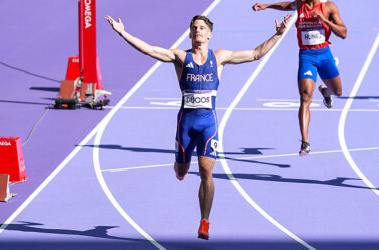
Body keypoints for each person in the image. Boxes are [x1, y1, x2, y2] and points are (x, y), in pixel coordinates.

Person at [105, 13, 291, 240]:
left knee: (206, 171)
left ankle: (204, 221)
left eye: (201, 27)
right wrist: (123, 32)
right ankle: (180, 170)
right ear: (190, 33)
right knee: (181, 170)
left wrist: (278, 34)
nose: (197, 31)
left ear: (209, 34)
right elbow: (149, 49)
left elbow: (254, 54)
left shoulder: (220, 57)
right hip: (185, 124)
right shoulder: (180, 57)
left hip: (208, 124)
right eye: (193, 28)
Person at [252, 0, 347, 156]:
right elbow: (286, 5)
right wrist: (266, 6)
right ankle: (305, 142)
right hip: (306, 57)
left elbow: (343, 33)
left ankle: (325, 92)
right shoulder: (300, 4)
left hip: (324, 55)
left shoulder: (329, 7)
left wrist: (324, 20)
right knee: (305, 99)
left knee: (338, 92)